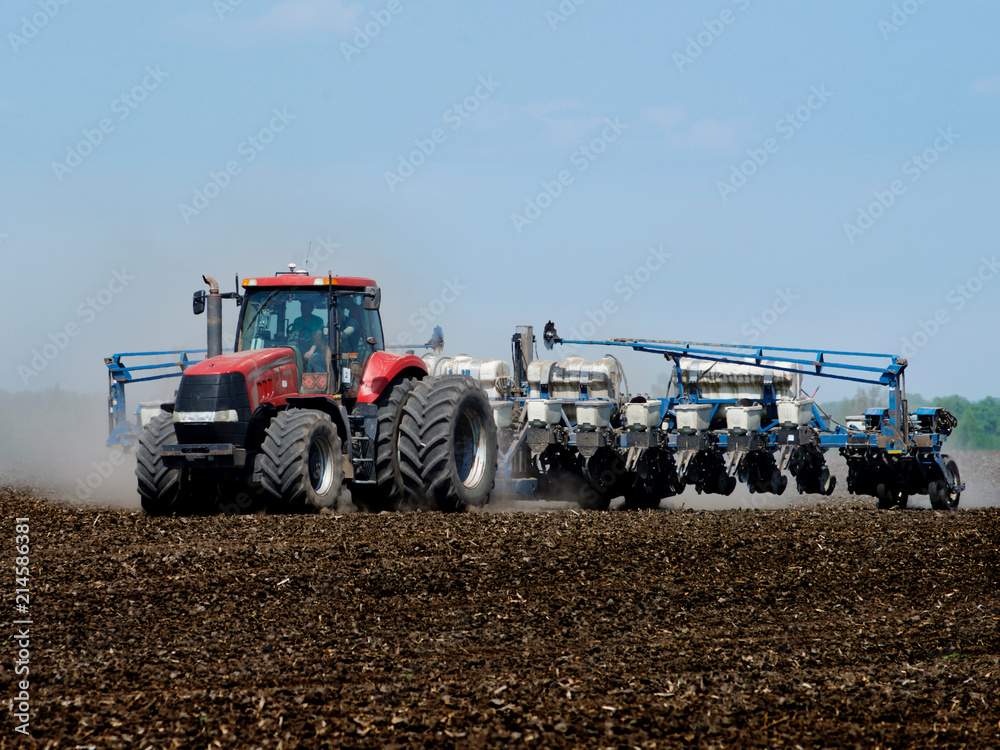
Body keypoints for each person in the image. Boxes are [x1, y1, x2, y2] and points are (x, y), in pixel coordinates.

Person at [288, 299, 327, 372]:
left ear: (311, 309)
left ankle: (308, 382)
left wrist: (310, 351)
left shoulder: (318, 321)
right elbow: (292, 336)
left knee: (311, 362)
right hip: (299, 350)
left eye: (305, 307)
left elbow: (318, 338)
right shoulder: (297, 321)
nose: (303, 309)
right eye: (302, 307)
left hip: (315, 350)